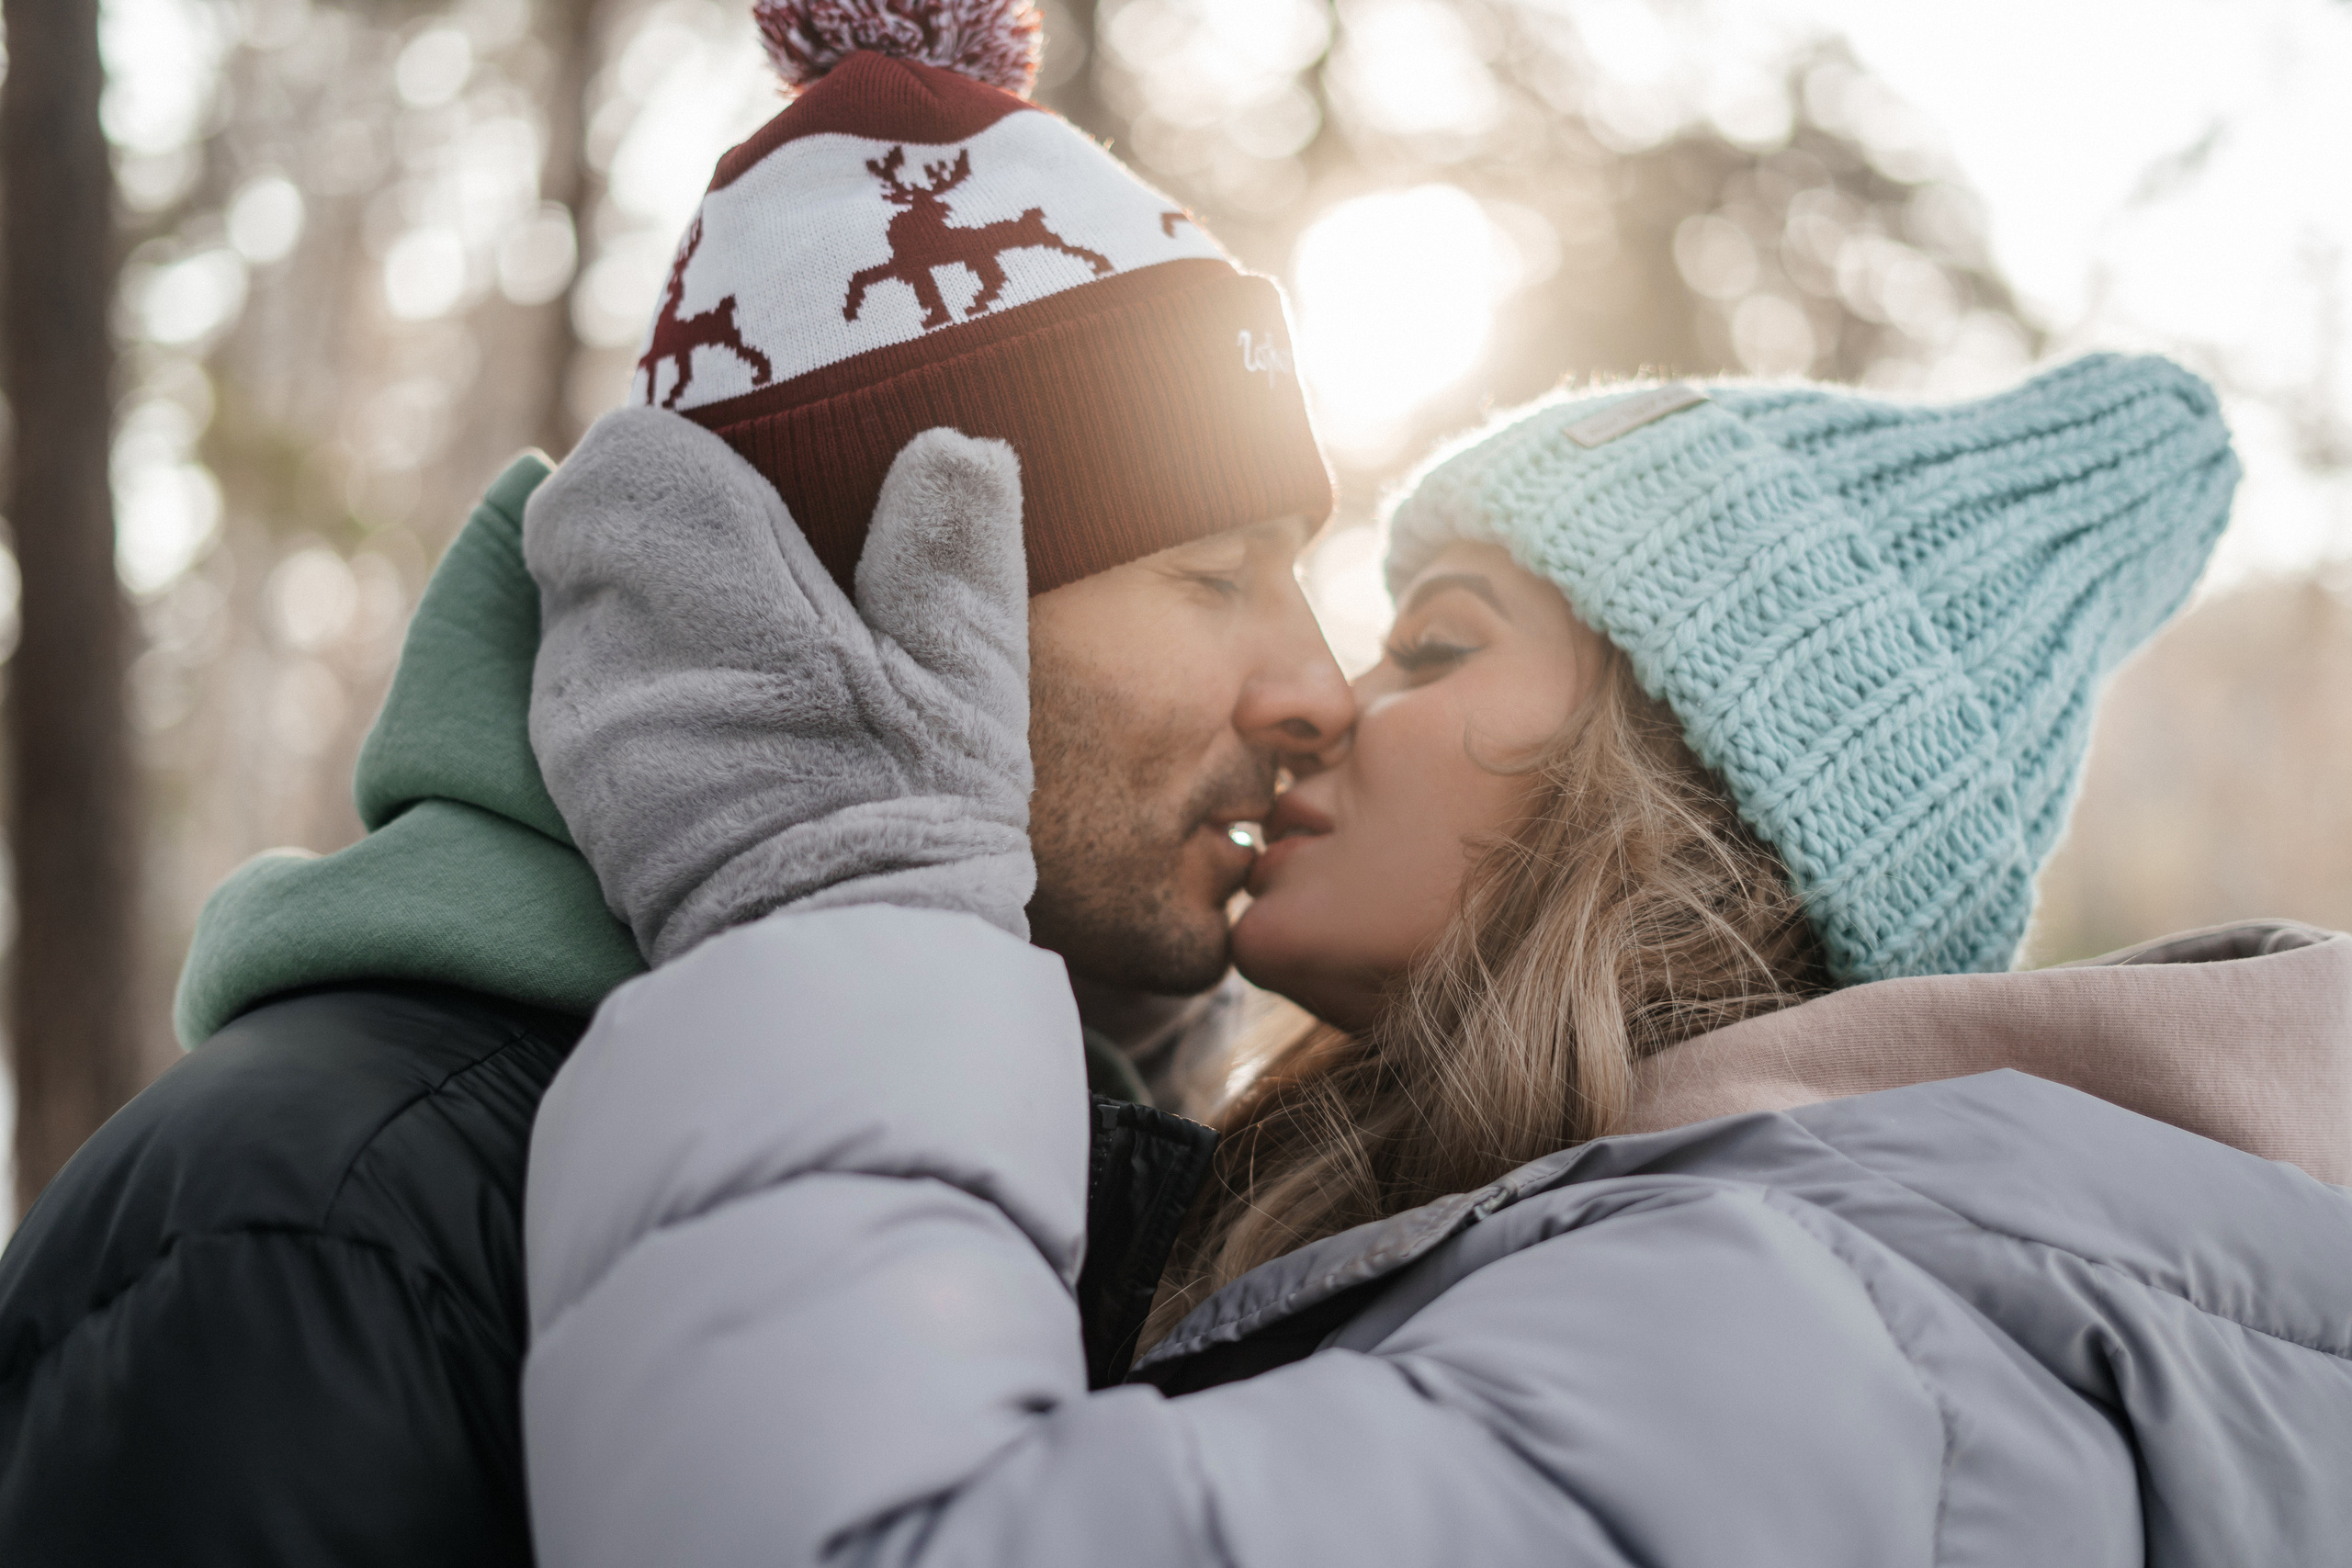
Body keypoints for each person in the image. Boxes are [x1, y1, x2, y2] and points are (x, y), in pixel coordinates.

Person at [518, 353, 2352, 1568]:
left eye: (1435, 646)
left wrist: (852, 918)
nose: (1327, 702)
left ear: (1669, 790)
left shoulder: (1786, 1326)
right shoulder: (1705, 1264)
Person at [0, 12, 1342, 1562]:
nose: (1322, 688)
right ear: (857, 601)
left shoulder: (1109, 1171)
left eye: (1296, 572)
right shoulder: (316, 1220)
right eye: (1212, 574)